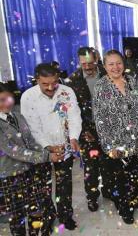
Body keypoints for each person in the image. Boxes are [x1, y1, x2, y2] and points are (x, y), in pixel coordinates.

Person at [20, 63, 82, 231]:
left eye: (54, 82)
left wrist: (74, 137)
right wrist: (48, 147)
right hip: (41, 151)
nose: (50, 87)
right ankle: (48, 216)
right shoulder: (28, 97)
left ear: (58, 77)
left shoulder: (66, 92)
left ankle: (65, 215)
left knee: (64, 184)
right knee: (44, 187)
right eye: (44, 84)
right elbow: (32, 128)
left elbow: (74, 116)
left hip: (65, 147)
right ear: (37, 80)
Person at [93, 50, 138, 224]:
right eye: (110, 64)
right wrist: (109, 146)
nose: (115, 67)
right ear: (104, 66)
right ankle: (124, 207)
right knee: (119, 177)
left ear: (123, 64)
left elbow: (137, 107)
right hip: (114, 142)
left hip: (132, 140)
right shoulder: (100, 86)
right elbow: (99, 119)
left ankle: (136, 200)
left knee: (134, 173)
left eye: (118, 63)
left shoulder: (132, 82)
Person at [0, 83, 63, 235]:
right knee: (17, 216)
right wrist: (47, 156)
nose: (7, 103)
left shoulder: (18, 116)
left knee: (36, 210)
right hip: (9, 177)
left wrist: (48, 149)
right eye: (2, 100)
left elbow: (30, 142)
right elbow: (13, 150)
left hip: (29, 171)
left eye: (9, 98)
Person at [67, 47, 107, 212]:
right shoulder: (72, 80)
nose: (88, 67)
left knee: (109, 162)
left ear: (96, 59)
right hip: (87, 131)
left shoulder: (108, 74)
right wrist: (82, 132)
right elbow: (69, 111)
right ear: (79, 62)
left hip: (108, 129)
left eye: (91, 63)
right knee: (91, 167)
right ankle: (92, 197)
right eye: (84, 63)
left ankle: (109, 190)